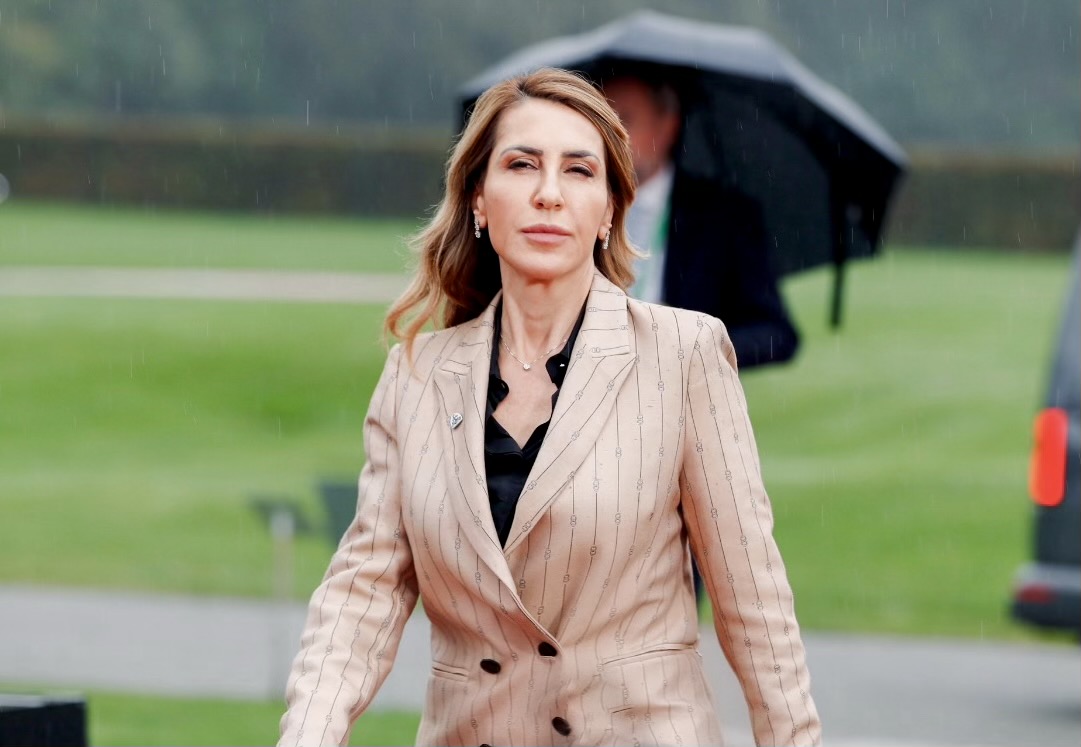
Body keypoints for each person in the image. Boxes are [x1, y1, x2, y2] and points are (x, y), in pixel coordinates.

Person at [278, 68, 821, 747]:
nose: (547, 193)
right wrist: (307, 733)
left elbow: (753, 602)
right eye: (521, 164)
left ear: (609, 209)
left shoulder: (685, 355)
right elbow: (364, 593)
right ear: (478, 199)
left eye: (577, 171)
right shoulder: (416, 375)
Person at [601, 71, 801, 368]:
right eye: (602, 123)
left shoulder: (723, 215)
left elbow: (775, 335)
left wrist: (693, 347)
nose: (610, 137)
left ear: (666, 127)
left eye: (625, 120)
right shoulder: (571, 205)